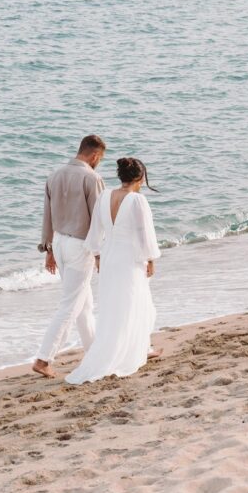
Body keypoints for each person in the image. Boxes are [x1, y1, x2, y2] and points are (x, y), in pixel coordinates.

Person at [65, 157, 161, 385]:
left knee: (112, 305)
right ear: (140, 177)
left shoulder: (104, 196)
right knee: (134, 301)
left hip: (109, 255)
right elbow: (144, 233)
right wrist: (151, 259)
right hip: (129, 256)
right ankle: (135, 350)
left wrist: (98, 256)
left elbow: (95, 231)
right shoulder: (138, 200)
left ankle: (123, 348)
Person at [32, 135, 106, 378]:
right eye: (100, 159)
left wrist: (48, 249)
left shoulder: (54, 176)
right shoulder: (91, 178)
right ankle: (44, 358)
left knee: (83, 303)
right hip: (80, 245)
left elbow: (47, 216)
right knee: (71, 304)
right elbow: (98, 220)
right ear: (94, 156)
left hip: (61, 242)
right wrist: (99, 253)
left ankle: (95, 353)